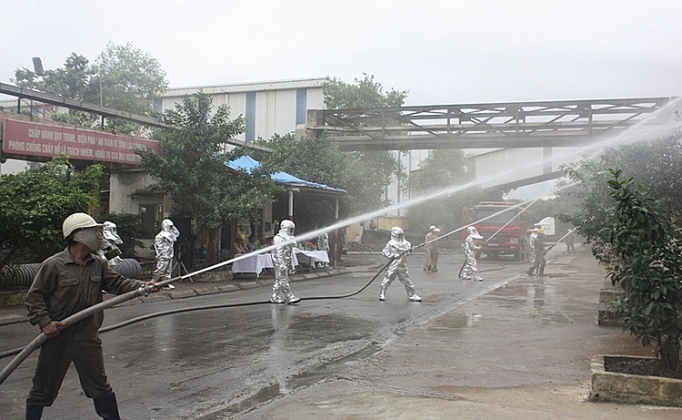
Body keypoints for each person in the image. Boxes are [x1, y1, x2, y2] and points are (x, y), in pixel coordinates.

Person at [24, 212, 159, 420]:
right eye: (94, 231)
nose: (99, 235)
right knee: (42, 390)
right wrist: (45, 323)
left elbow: (118, 283)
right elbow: (34, 298)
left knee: (99, 387)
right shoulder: (54, 265)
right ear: (78, 235)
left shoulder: (98, 264)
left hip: (87, 337)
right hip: (57, 337)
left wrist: (143, 286)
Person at [379, 226, 422, 302]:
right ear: (394, 235)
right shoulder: (391, 244)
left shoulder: (407, 244)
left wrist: (411, 250)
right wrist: (392, 255)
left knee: (407, 280)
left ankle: (412, 295)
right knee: (388, 279)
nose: (401, 236)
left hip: (402, 265)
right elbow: (385, 252)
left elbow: (408, 254)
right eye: (399, 235)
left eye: (401, 234)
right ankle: (382, 293)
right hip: (393, 265)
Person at [270, 220, 301, 304]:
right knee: (283, 279)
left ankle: (274, 297)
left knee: (279, 280)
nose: (291, 232)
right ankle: (289, 296)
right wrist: (281, 264)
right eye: (290, 229)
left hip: (285, 262)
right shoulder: (279, 238)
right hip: (280, 263)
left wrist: (291, 264)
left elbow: (289, 253)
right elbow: (279, 252)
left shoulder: (287, 238)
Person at [153, 219, 180, 290]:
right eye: (169, 226)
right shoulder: (160, 236)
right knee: (160, 270)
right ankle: (153, 282)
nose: (170, 228)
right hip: (163, 256)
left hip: (170, 254)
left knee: (168, 270)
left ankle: (165, 283)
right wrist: (161, 255)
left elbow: (177, 234)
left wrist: (173, 227)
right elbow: (158, 247)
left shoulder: (171, 235)